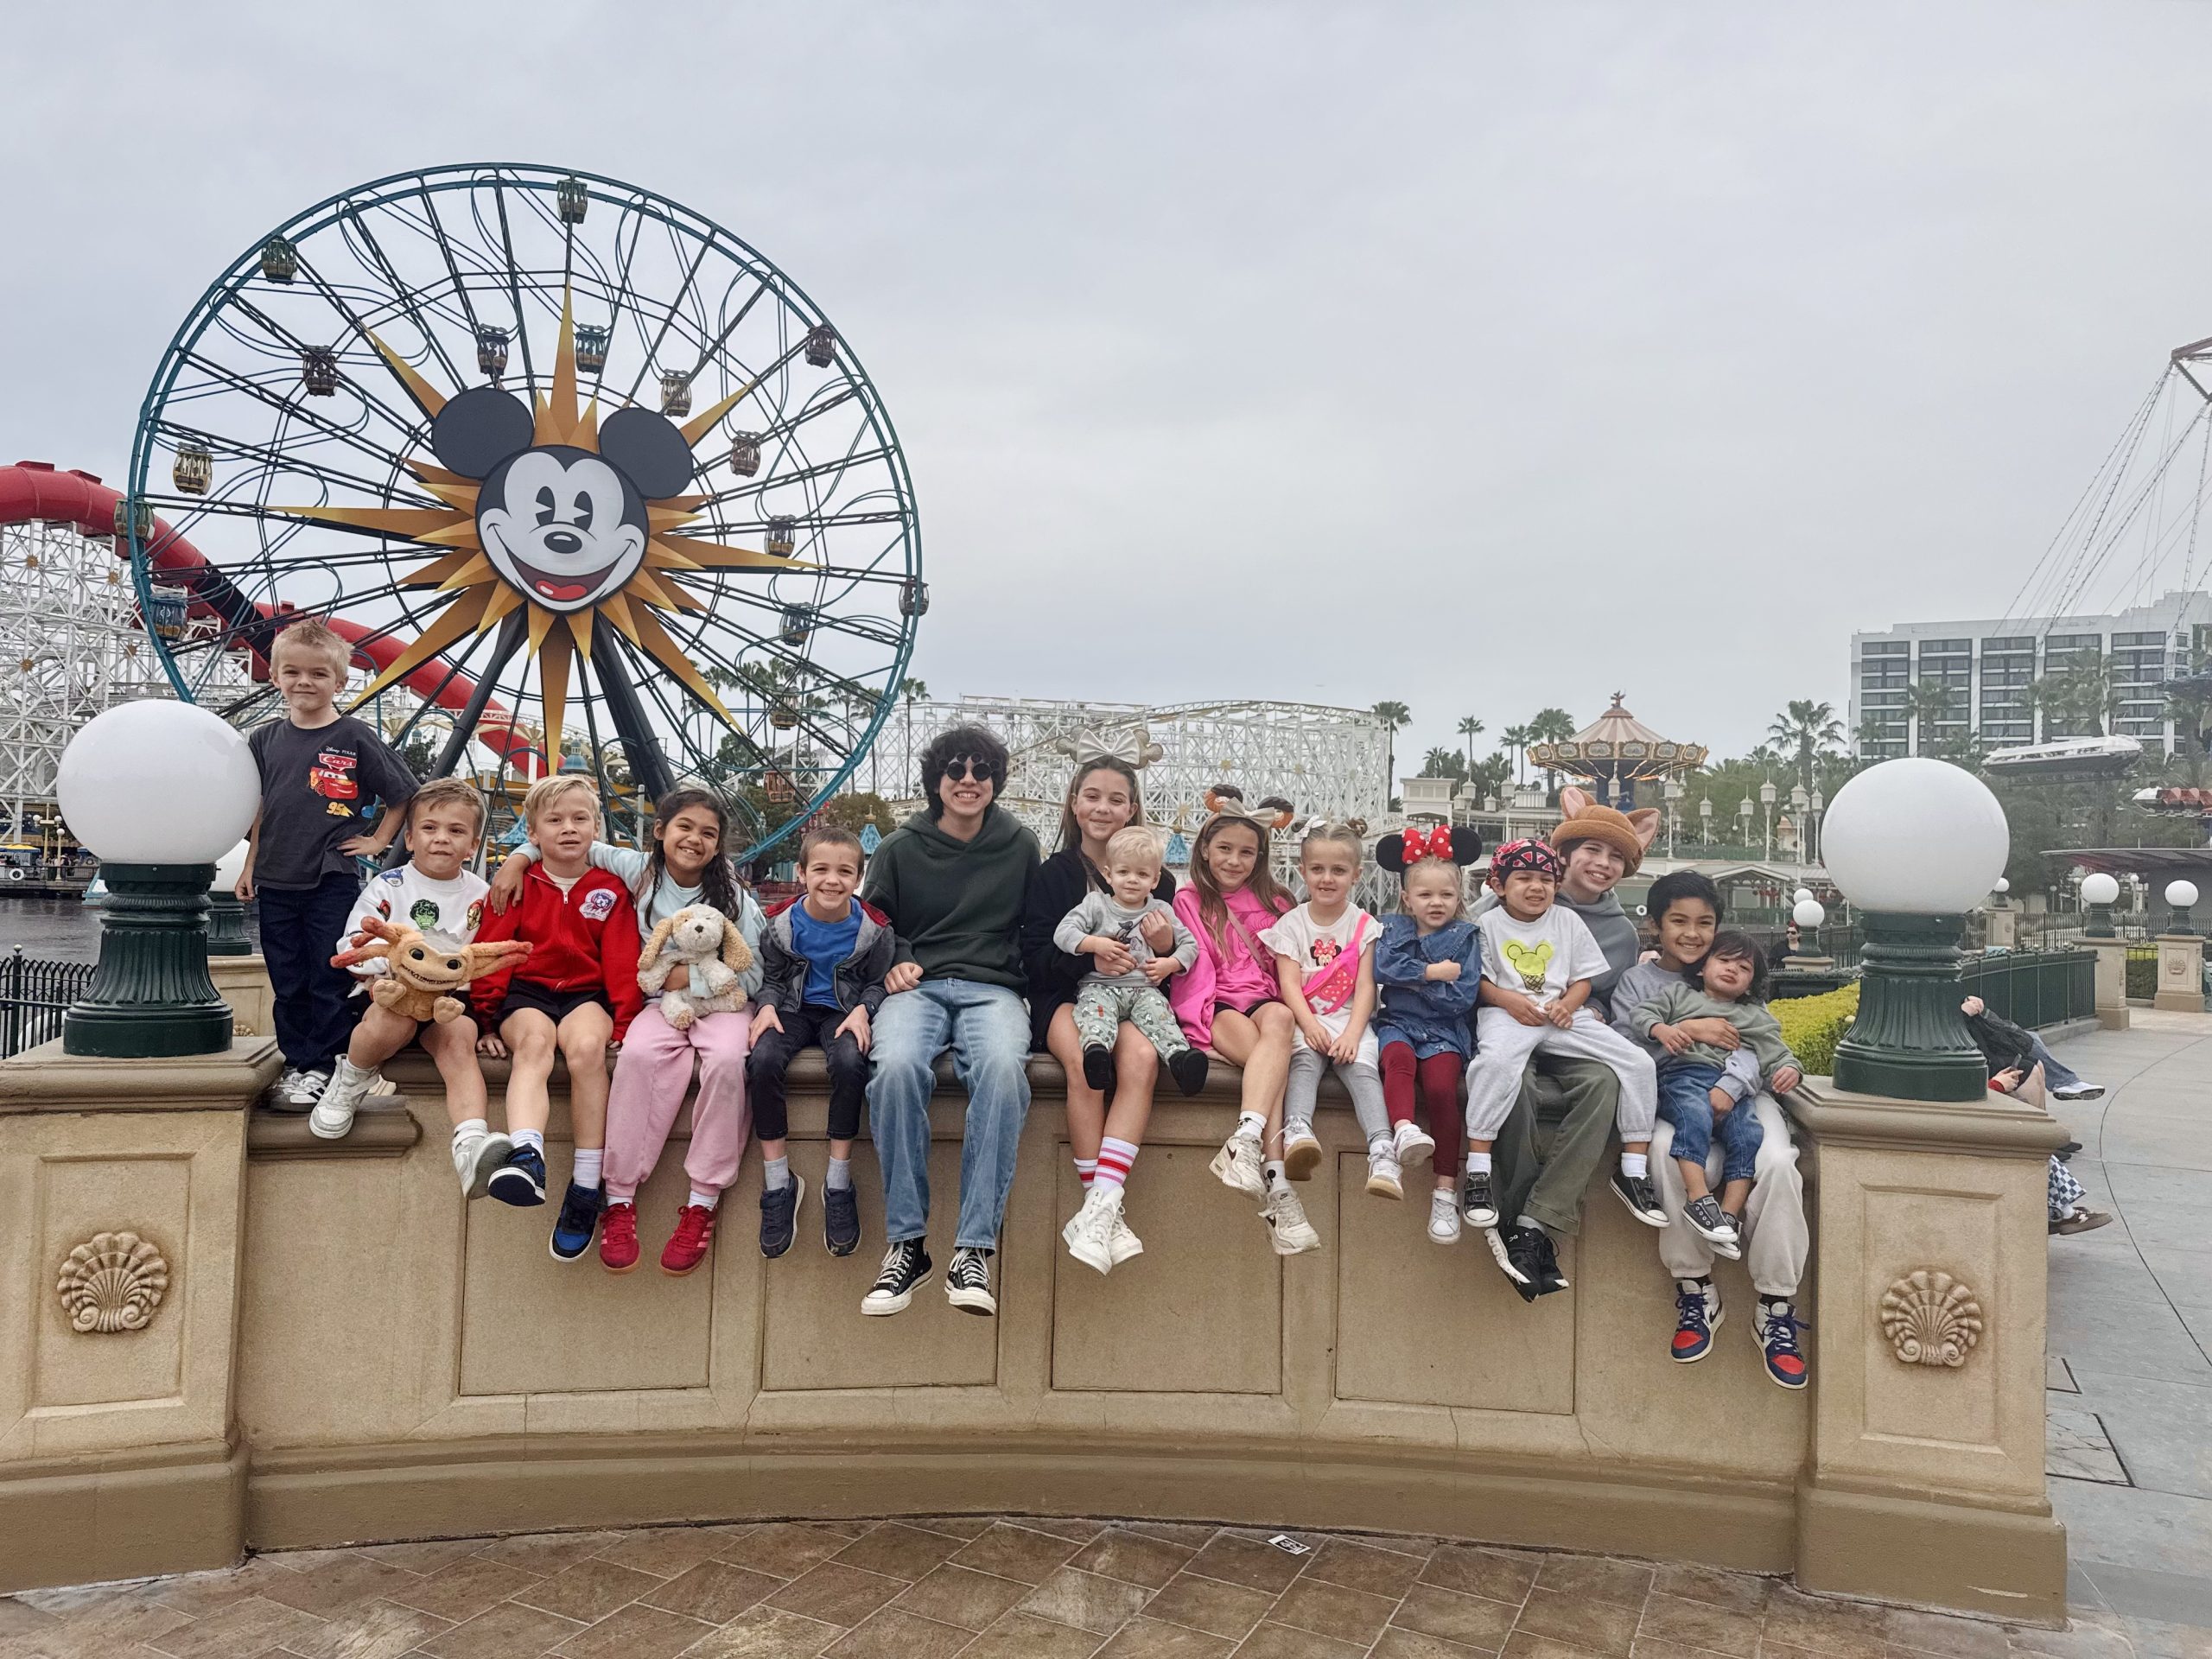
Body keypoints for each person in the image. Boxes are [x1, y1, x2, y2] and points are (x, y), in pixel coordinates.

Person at [489, 787, 764, 1279]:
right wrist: (516, 858)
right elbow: (568, 841)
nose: (694, 840)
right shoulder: (638, 871)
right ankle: (617, 1198)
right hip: (657, 1006)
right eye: (684, 827)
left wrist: (688, 979)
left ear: (719, 846)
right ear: (659, 832)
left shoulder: (735, 899)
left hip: (722, 1004)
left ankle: (702, 1201)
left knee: (726, 1062)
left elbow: (754, 975)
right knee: (636, 1058)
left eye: (708, 834)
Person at [860, 724, 1042, 1318]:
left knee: (1000, 1072)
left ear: (995, 782)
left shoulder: (1020, 846)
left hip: (992, 988)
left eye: (981, 772)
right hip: (919, 985)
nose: (969, 781)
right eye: (956, 771)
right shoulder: (897, 848)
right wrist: (901, 960)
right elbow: (874, 925)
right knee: (894, 1071)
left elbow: (1032, 929)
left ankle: (973, 1248)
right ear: (936, 781)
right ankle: (908, 1243)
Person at [1611, 871, 1811, 1388]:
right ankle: (1695, 1286)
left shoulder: (1732, 971)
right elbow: (1624, 1044)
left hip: (1742, 1096)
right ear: (1656, 925)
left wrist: (1734, 1083)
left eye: (1705, 923)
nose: (1693, 934)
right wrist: (1689, 1032)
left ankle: (1775, 1301)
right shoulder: (1643, 983)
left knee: (1777, 1162)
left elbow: (1759, 1045)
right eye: (1679, 921)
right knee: (1661, 1150)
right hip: (1673, 1091)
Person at [1479, 790, 1661, 1300]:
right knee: (1512, 1088)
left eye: (1616, 857)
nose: (1603, 864)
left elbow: (1607, 996)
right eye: (1592, 851)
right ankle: (1523, 1228)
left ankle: (1536, 1223)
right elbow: (1469, 963)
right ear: (1565, 853)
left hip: (1568, 1034)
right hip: (1506, 1026)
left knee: (1605, 1082)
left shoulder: (1621, 934)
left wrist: (1593, 1007)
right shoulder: (1509, 896)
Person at [236, 617, 418, 1110]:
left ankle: (328, 1065)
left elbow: (404, 793)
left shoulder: (353, 736)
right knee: (287, 977)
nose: (304, 682)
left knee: (328, 973)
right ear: (274, 676)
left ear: (340, 682)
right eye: (292, 672)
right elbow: (259, 808)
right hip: (275, 875)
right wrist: (250, 865)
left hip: (329, 875)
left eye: (318, 674)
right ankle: (300, 1064)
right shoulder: (264, 740)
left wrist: (378, 839)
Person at [468, 776, 645, 1260]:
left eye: (580, 818)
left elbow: (622, 960)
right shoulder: (518, 883)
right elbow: (492, 950)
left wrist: (625, 1023)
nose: (568, 828)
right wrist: (485, 1020)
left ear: (597, 828)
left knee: (587, 1050)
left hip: (587, 995)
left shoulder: (611, 888)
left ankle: (587, 1185)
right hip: (526, 994)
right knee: (534, 1047)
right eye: (555, 820)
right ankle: (527, 1154)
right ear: (533, 832)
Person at [1020, 756, 1179, 1274]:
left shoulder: (1162, 882)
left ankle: (1098, 1209)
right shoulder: (1054, 875)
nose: (1103, 808)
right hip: (1065, 996)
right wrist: (1089, 958)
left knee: (1140, 1059)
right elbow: (1034, 959)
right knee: (1088, 1065)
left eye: (1116, 799)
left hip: (1132, 997)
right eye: (1092, 796)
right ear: (1074, 803)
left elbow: (1168, 970)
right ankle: (1104, 1209)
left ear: (1132, 808)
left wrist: (1162, 947)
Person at [308, 779, 511, 1185]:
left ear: (473, 845)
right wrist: (385, 967)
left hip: (449, 1002)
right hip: (393, 992)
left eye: (456, 831)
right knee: (391, 1021)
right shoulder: (389, 886)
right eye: (430, 828)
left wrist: (489, 1023)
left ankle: (471, 1140)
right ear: (410, 837)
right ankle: (351, 1080)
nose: (441, 839)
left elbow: (490, 959)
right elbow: (353, 941)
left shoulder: (482, 894)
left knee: (459, 1040)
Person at [1052, 825, 1209, 1271]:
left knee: (1160, 1019)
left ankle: (1180, 1058)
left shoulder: (1161, 910)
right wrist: (1095, 945)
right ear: (1107, 873)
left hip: (1142, 990)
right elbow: (1063, 934)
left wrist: (1170, 959)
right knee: (1093, 1023)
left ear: (1157, 875)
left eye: (1143, 873)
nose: (1133, 880)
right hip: (1100, 986)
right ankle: (1098, 1055)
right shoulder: (1094, 904)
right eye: (1124, 872)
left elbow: (1189, 946)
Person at [1172, 788, 1320, 1255]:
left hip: (1266, 1003)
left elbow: (1290, 971)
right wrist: (1198, 1034)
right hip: (1217, 1007)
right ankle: (1277, 1188)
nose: (1235, 861)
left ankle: (1245, 1141)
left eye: (1246, 852)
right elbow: (1196, 970)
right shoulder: (1190, 900)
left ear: (1260, 857)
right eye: (1225, 849)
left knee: (1278, 1019)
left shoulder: (1278, 902)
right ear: (1204, 850)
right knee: (1272, 1067)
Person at [748, 825, 896, 1262]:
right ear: (801, 873)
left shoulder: (875, 929)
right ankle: (778, 1181)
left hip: (842, 1010)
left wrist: (864, 1009)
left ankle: (838, 1180)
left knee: (852, 1063)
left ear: (858, 879)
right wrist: (767, 1006)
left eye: (844, 872)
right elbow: (772, 978)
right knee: (762, 1059)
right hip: (792, 1009)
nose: (832, 880)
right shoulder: (779, 923)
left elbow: (877, 982)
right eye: (821, 870)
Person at [1631, 931, 1802, 1254]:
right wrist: (1664, 1029)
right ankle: (1699, 1199)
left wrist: (1790, 1069)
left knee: (1748, 1134)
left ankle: (1728, 1217)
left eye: (1744, 967)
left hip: (1730, 1086)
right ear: (1701, 968)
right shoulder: (1679, 995)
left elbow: (1777, 1052)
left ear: (1751, 983)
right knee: (1693, 1116)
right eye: (1723, 960)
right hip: (1682, 1075)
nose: (1731, 969)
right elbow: (1641, 1015)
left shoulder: (1754, 1016)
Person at [1262, 821, 1399, 1198]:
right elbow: (1289, 983)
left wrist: (1354, 1033)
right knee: (1304, 1061)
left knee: (1363, 1070)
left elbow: (1365, 985)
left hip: (1350, 1017)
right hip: (1307, 1017)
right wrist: (1309, 1026)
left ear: (1356, 874)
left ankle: (1383, 1150)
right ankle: (1298, 1130)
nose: (1326, 879)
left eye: (1338, 870)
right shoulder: (1290, 924)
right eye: (1318, 869)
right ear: (1303, 870)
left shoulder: (1364, 925)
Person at [1371, 824, 1484, 1243]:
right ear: (1406, 898)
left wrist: (1410, 982)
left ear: (1459, 898)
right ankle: (1403, 1130)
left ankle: (1444, 1189)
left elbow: (1462, 996)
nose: (1436, 903)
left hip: (1444, 1031)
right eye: (1425, 895)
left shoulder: (1467, 937)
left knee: (1440, 1088)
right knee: (1396, 1063)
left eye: (1446, 895)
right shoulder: (1390, 929)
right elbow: (1382, 969)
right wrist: (1432, 973)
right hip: (1398, 1023)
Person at [1966, 996, 2112, 1236]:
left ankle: (2061, 1210)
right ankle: (2061, 1212)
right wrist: (1997, 1086)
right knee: (2030, 1143)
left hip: (1978, 1106)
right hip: (1973, 1117)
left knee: (2030, 1049)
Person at [1962, 995, 2103, 1102]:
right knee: (2029, 1066)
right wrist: (1963, 1012)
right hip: (1973, 1050)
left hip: (1976, 1038)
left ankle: (2065, 1083)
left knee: (2030, 1044)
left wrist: (1969, 1000)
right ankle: (2064, 1082)